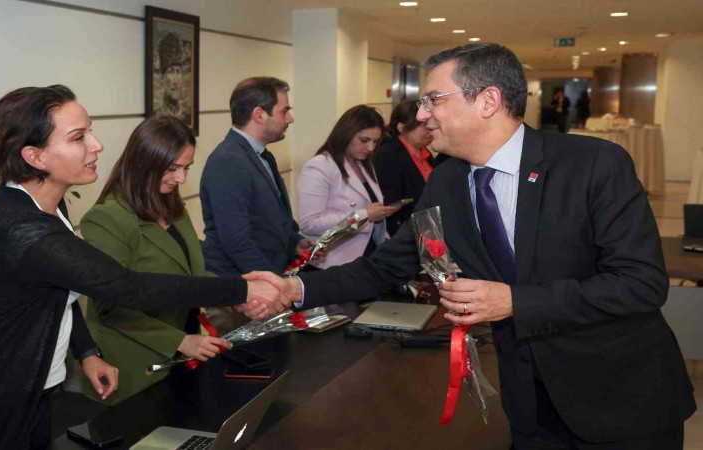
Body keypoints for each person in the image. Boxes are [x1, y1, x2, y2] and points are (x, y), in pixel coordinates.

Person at [251, 43, 696, 448]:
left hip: (620, 399)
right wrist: (294, 289)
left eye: (433, 99)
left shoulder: (593, 165)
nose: (422, 114)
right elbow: (386, 267)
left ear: (488, 101)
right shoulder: (446, 182)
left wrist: (513, 301)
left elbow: (640, 284)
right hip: (529, 409)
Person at [0, 85, 287, 450]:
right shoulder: (23, 228)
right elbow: (126, 286)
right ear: (35, 156)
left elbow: (59, 293)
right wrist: (242, 288)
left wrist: (87, 353)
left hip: (30, 384)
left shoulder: (45, 207)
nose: (97, 145)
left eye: (90, 132)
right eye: (78, 137)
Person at [79, 116, 229, 405]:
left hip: (184, 354)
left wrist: (237, 292)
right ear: (144, 162)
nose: (181, 178)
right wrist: (181, 341)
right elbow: (110, 306)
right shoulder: (106, 218)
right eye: (172, 168)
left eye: (186, 168)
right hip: (136, 368)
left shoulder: (172, 205)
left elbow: (191, 277)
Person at [200, 77, 314, 276]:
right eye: (284, 111)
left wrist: (294, 243)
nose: (290, 119)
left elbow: (265, 222)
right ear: (259, 115)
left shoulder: (260, 155)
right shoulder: (228, 162)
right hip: (242, 283)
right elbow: (237, 241)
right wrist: (276, 284)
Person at [297, 105, 399, 269]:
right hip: (332, 264)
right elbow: (310, 224)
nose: (371, 148)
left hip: (366, 258)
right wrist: (365, 215)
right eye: (364, 140)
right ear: (346, 134)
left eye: (375, 142)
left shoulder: (365, 164)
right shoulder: (320, 165)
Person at [373, 100, 436, 236]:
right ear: (401, 127)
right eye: (423, 125)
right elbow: (391, 203)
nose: (429, 129)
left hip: (427, 227)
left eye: (430, 124)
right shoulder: (388, 155)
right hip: (404, 231)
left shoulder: (426, 153)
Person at [156, 32, 191, 124]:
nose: (175, 80)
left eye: (178, 71)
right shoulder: (157, 117)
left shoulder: (187, 116)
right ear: (163, 77)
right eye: (170, 71)